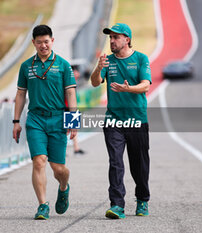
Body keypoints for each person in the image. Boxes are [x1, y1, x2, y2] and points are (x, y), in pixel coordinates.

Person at [12, 25, 77, 220]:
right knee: (39, 161)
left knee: (59, 169)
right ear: (34, 43)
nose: (43, 45)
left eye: (46, 41)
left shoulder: (63, 65)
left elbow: (71, 92)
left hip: (58, 119)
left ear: (52, 41)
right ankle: (42, 205)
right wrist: (16, 121)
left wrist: (73, 121)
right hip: (35, 119)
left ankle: (64, 187)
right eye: (39, 42)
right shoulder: (26, 66)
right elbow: (21, 94)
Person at [90, 23, 152, 219]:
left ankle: (142, 200)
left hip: (137, 120)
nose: (112, 41)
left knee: (139, 164)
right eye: (110, 37)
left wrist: (128, 89)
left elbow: (145, 86)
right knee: (115, 162)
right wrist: (98, 68)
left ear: (127, 39)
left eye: (116, 37)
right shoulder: (107, 61)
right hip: (113, 121)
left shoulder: (141, 59)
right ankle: (117, 204)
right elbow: (94, 82)